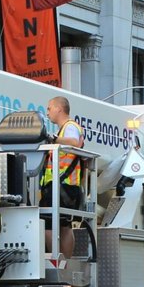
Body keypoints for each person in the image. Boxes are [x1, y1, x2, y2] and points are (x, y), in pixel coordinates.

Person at [41, 96, 86, 261]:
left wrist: (54, 139)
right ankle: (64, 261)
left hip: (61, 186)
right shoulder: (65, 129)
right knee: (64, 225)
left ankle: (57, 260)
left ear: (59, 109)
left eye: (49, 108)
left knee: (46, 223)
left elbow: (74, 142)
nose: (47, 112)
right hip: (66, 186)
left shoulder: (70, 127)